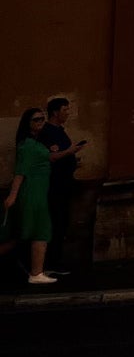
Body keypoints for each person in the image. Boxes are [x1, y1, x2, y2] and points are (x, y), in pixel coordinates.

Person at [2, 108, 57, 285]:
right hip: (32, 192)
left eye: (43, 118)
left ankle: (37, 271)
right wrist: (12, 195)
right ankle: (36, 273)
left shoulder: (35, 143)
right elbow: (21, 172)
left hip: (38, 191)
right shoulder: (27, 145)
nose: (41, 122)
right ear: (28, 123)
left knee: (25, 233)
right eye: (36, 119)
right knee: (39, 230)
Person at [38, 96, 85, 272]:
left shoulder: (59, 131)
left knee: (62, 222)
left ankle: (54, 260)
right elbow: (49, 157)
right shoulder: (49, 133)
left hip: (64, 184)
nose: (68, 113)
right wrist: (69, 152)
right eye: (65, 110)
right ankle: (51, 262)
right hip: (55, 186)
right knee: (56, 222)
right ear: (55, 112)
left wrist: (73, 158)